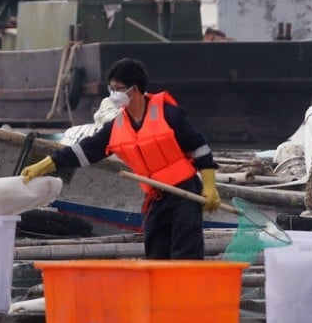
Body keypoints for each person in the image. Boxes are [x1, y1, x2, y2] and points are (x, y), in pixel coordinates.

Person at [20, 58, 219, 260]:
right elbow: (86, 150)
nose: (113, 94)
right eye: (111, 88)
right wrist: (44, 165)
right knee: (156, 254)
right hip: (156, 197)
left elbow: (199, 147)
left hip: (185, 193)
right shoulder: (117, 125)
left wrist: (210, 187)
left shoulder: (169, 114)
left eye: (118, 88)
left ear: (134, 90)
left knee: (185, 253)